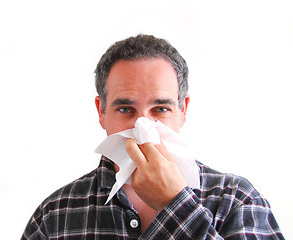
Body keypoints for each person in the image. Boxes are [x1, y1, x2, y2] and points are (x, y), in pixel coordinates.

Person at [21, 34, 284, 239]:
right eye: (125, 109)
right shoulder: (55, 215)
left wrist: (174, 203)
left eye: (161, 109)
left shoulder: (236, 201)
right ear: (101, 112)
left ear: (182, 111)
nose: (142, 128)